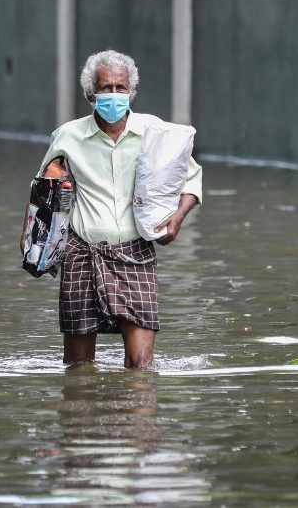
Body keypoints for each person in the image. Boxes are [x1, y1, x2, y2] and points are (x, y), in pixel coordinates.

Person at [36, 50, 202, 369]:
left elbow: (192, 178)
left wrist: (177, 218)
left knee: (141, 366)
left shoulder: (156, 134)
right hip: (81, 255)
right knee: (78, 366)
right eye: (106, 88)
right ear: (91, 94)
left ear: (131, 92)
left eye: (120, 88)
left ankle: (136, 419)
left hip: (136, 253)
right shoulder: (67, 137)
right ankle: (82, 418)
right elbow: (46, 195)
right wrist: (36, 243)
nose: (114, 95)